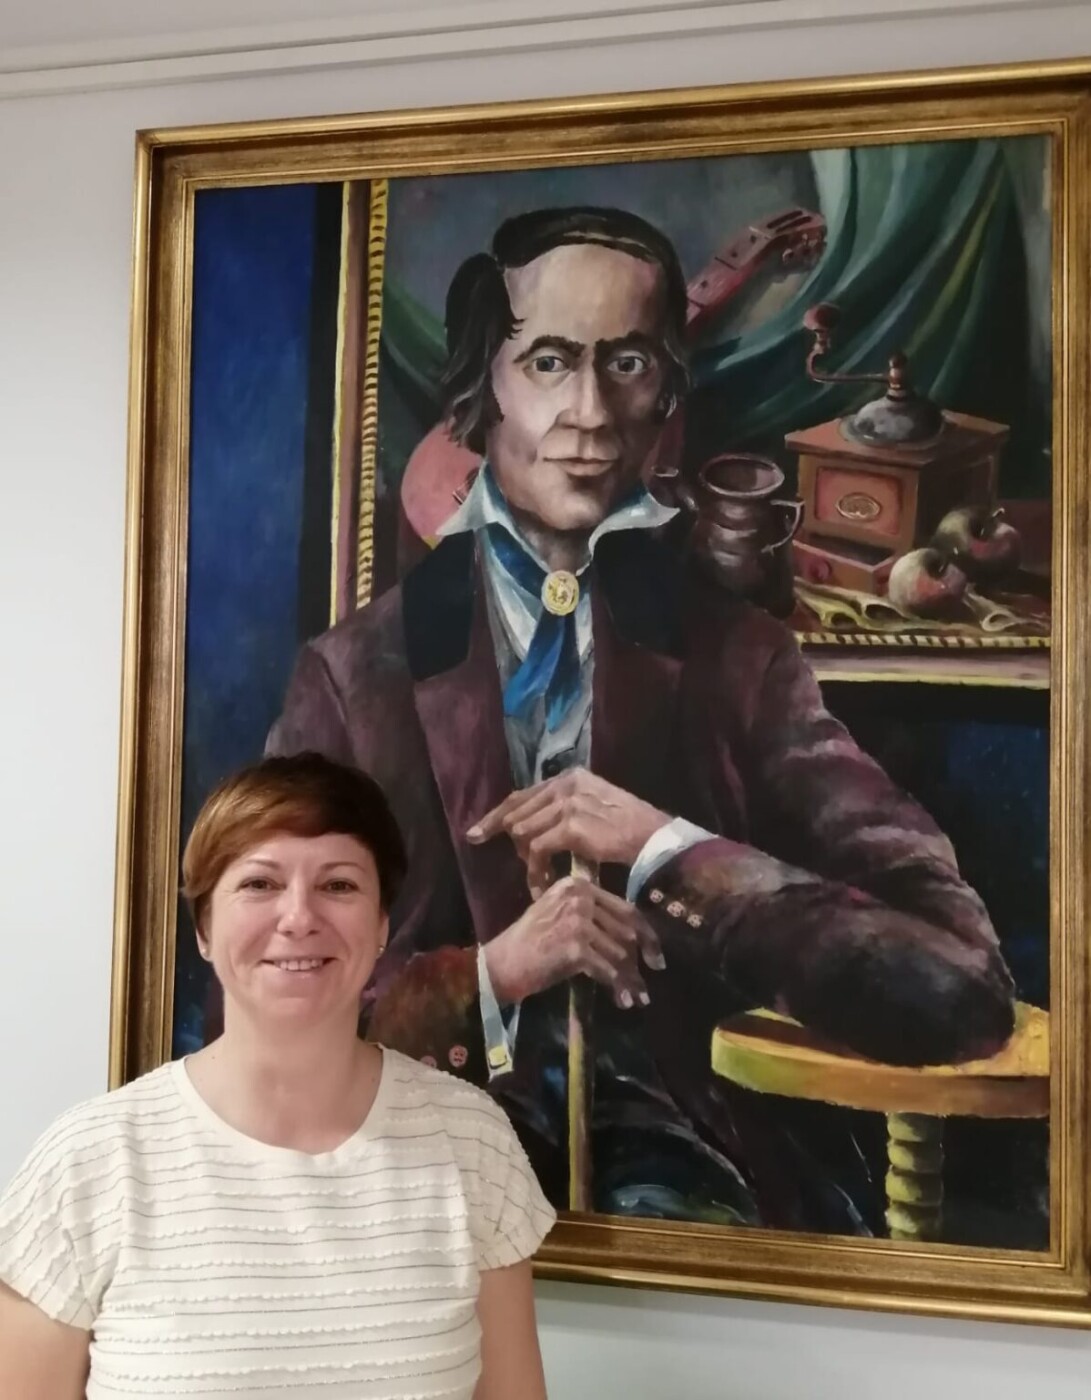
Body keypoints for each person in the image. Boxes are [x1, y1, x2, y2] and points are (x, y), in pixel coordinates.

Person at [266, 206, 1015, 1228]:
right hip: (418, 1183)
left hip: (693, 1187)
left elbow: (958, 984)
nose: (588, 411)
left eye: (624, 363)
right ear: (484, 386)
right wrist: (492, 974)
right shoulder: (355, 675)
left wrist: (666, 847)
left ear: (664, 392)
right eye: (547, 362)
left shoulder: (740, 659)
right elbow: (260, 1005)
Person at [0, 753, 554, 1400]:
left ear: (381, 925)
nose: (299, 917)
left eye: (338, 885)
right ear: (204, 928)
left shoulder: (472, 1142)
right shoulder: (87, 1164)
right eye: (259, 884)